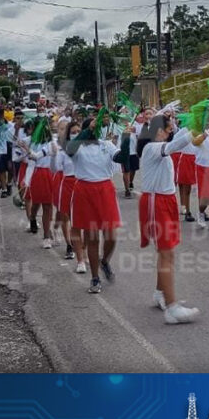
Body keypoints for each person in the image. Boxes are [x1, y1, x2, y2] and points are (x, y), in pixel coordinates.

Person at [137, 112, 201, 324]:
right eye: (167, 128)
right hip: (157, 202)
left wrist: (204, 124)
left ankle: (160, 293)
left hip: (165, 200)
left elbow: (180, 139)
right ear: (158, 131)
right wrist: (194, 128)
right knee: (166, 253)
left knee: (167, 253)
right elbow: (176, 145)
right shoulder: (152, 148)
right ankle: (172, 309)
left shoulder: (157, 147)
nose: (171, 130)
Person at [66, 118, 122, 294]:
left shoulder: (106, 145)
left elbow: (120, 156)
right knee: (92, 238)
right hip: (85, 190)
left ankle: (104, 261)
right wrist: (86, 130)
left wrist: (127, 138)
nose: (96, 131)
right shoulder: (77, 146)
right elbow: (70, 149)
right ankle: (95, 278)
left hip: (105, 189)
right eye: (93, 128)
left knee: (111, 236)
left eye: (97, 128)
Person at [19, 119, 56, 249]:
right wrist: (23, 146)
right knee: (36, 202)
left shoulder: (52, 142)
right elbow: (26, 154)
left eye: (45, 127)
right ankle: (33, 217)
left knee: (48, 206)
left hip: (50, 174)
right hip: (37, 174)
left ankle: (46, 236)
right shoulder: (31, 141)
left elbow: (36, 155)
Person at [55, 121, 80, 262]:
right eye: (72, 132)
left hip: (81, 182)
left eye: (78, 131)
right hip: (65, 180)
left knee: (80, 218)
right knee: (65, 216)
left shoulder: (85, 145)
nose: (75, 134)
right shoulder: (59, 146)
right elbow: (58, 166)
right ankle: (69, 245)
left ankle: (81, 247)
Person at [172, 122, 199, 222]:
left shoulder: (201, 129)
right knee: (185, 186)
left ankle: (189, 208)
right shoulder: (184, 130)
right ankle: (187, 211)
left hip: (196, 159)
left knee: (190, 186)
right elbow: (175, 141)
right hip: (186, 158)